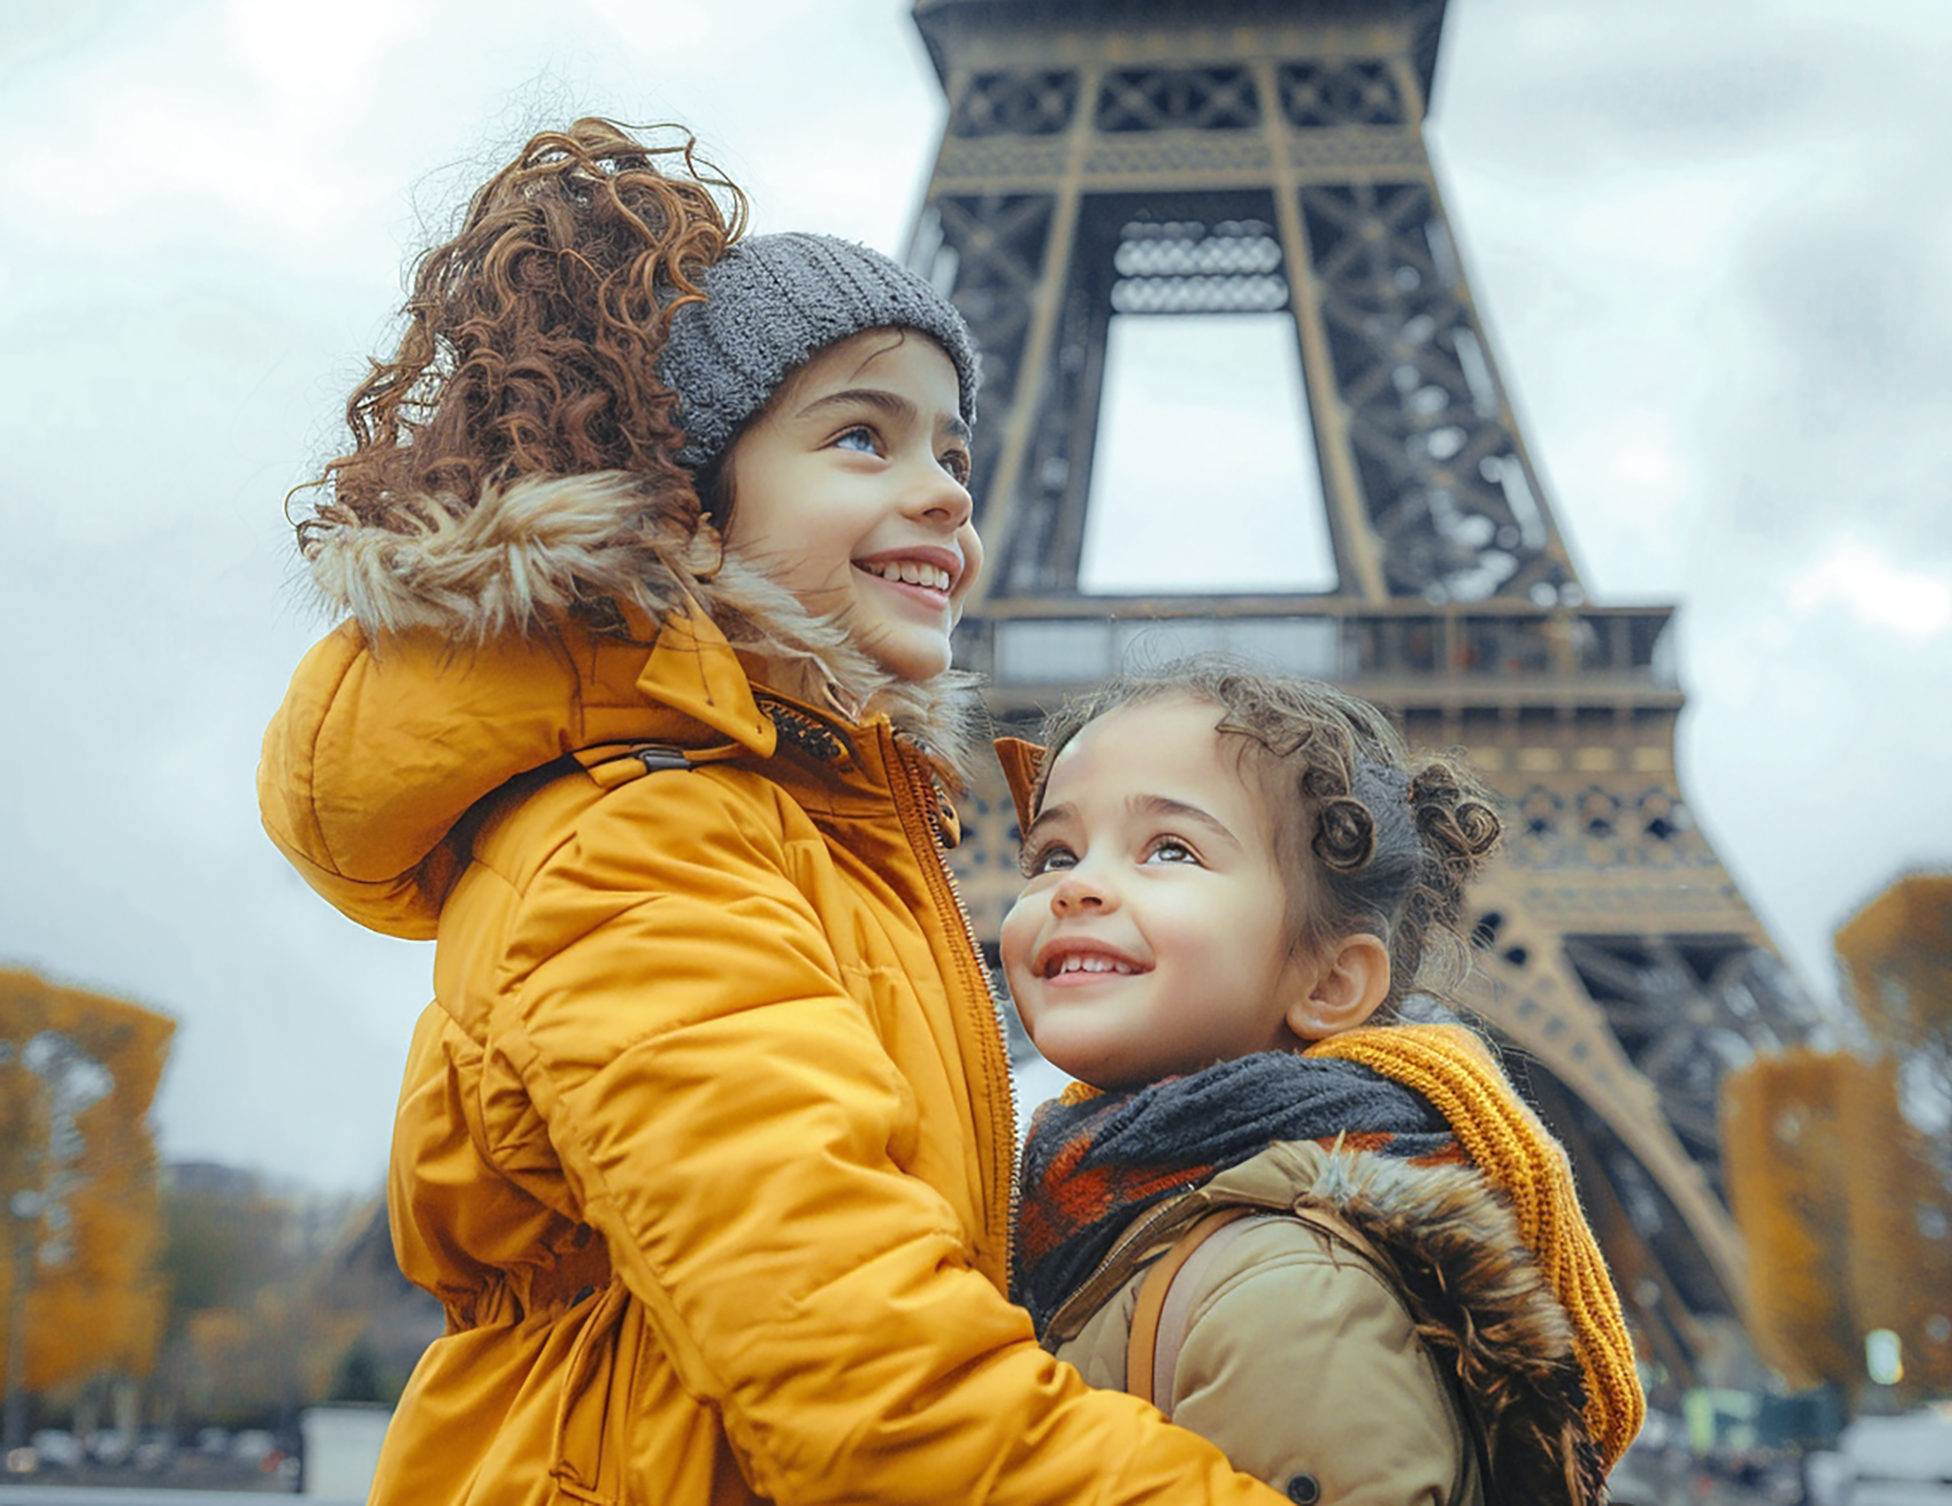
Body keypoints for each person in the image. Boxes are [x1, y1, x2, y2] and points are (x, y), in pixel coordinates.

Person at [259, 119, 1299, 1504]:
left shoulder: (810, 826)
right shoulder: (637, 847)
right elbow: (867, 1373)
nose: (944, 493)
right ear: (689, 502)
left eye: (956, 454)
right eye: (862, 436)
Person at [997, 659, 1648, 1506]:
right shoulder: (1091, 1223)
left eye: (1169, 849)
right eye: (1053, 852)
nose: (1076, 886)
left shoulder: (1293, 1293)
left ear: (1331, 982)